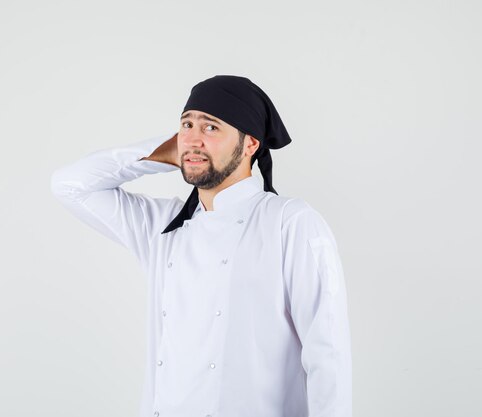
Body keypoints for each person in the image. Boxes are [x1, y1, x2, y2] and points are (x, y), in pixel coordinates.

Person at [51, 75, 352, 417]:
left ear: (250, 144)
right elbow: (70, 185)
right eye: (186, 125)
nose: (192, 139)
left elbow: (327, 356)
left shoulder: (290, 222)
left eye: (211, 128)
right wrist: (160, 152)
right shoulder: (163, 228)